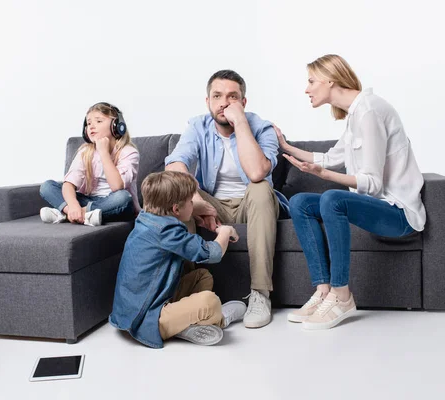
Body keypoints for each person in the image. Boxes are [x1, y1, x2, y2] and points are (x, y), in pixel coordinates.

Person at [278, 54, 426, 330]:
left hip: (398, 214)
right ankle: (324, 291)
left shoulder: (370, 111)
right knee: (299, 203)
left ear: (330, 79)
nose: (306, 89)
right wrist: (284, 146)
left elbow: (372, 183)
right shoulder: (356, 115)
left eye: (311, 81)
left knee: (333, 198)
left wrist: (322, 175)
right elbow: (329, 158)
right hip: (374, 207)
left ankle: (342, 295)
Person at [165, 70, 289, 329]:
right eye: (217, 96)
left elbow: (257, 172)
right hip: (213, 206)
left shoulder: (262, 128)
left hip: (252, 205)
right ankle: (185, 294)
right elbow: (174, 167)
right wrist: (197, 203)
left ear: (243, 103)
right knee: (178, 191)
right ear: (208, 101)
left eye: (232, 97)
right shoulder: (197, 126)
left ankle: (260, 294)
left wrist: (240, 123)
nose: (224, 103)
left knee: (260, 187)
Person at [109, 171, 247, 348]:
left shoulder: (148, 219)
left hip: (142, 305)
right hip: (146, 319)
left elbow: (177, 215)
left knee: (202, 276)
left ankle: (183, 327)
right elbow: (212, 253)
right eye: (190, 202)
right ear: (175, 209)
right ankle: (218, 319)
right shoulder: (167, 232)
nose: (193, 204)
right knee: (210, 301)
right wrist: (226, 232)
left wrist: (193, 210)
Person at [39, 102, 139, 226]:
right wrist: (73, 205)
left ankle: (66, 214)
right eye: (89, 123)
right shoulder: (85, 152)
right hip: (88, 201)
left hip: (115, 203)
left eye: (98, 121)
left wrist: (104, 152)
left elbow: (117, 186)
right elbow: (69, 184)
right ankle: (82, 214)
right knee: (47, 186)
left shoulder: (128, 152)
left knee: (123, 198)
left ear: (116, 126)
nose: (91, 126)